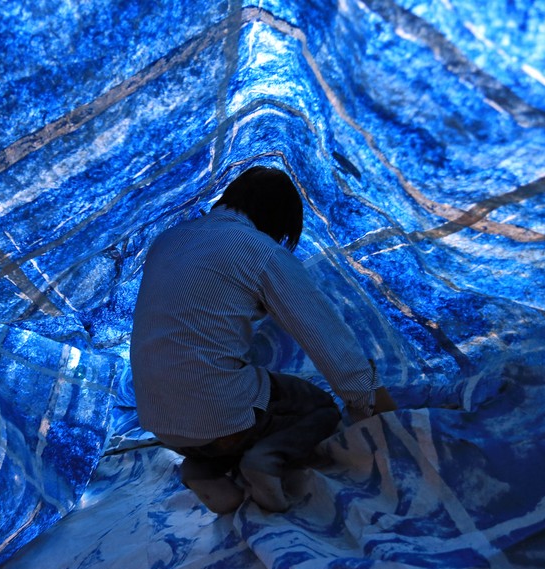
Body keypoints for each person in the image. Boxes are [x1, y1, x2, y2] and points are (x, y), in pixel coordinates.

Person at [130, 166, 397, 514]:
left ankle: (203, 470)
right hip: (221, 420)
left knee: (231, 403)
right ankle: (265, 460)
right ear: (278, 221)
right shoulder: (259, 250)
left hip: (158, 422)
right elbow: (327, 339)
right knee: (317, 406)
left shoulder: (169, 239)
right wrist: (372, 404)